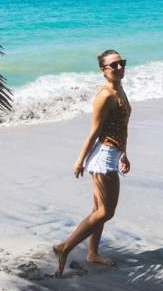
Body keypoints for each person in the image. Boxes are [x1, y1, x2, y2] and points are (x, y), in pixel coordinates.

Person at [53, 49, 131, 277]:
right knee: (106, 212)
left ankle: (92, 254)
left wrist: (124, 153)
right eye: (113, 65)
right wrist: (79, 162)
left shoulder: (119, 87)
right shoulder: (105, 95)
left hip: (112, 152)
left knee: (98, 210)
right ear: (103, 71)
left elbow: (118, 127)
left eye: (121, 63)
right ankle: (63, 248)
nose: (119, 68)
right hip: (103, 157)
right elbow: (94, 132)